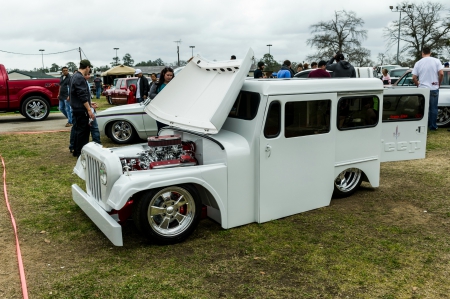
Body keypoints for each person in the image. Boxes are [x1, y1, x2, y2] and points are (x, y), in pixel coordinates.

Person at [412, 46, 444, 131]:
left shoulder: (418, 63)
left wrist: (418, 85)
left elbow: (414, 77)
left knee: (422, 108)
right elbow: (441, 74)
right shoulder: (436, 61)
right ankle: (432, 126)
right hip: (434, 87)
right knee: (433, 108)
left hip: (422, 89)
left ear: (422, 53)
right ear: (430, 53)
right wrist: (439, 83)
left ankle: (423, 126)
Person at [69, 59, 95, 157]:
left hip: (76, 108)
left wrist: (90, 104)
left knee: (77, 130)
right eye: (89, 68)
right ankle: (81, 152)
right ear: (87, 67)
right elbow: (82, 95)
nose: (89, 70)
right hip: (81, 109)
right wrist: (89, 109)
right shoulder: (80, 78)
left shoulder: (74, 76)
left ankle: (76, 150)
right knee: (83, 132)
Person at [149, 67, 175, 131]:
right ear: (163, 74)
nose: (169, 77)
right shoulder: (157, 84)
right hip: (160, 111)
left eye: (171, 75)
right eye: (168, 75)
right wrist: (162, 96)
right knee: (162, 130)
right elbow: (151, 95)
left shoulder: (175, 84)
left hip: (172, 111)